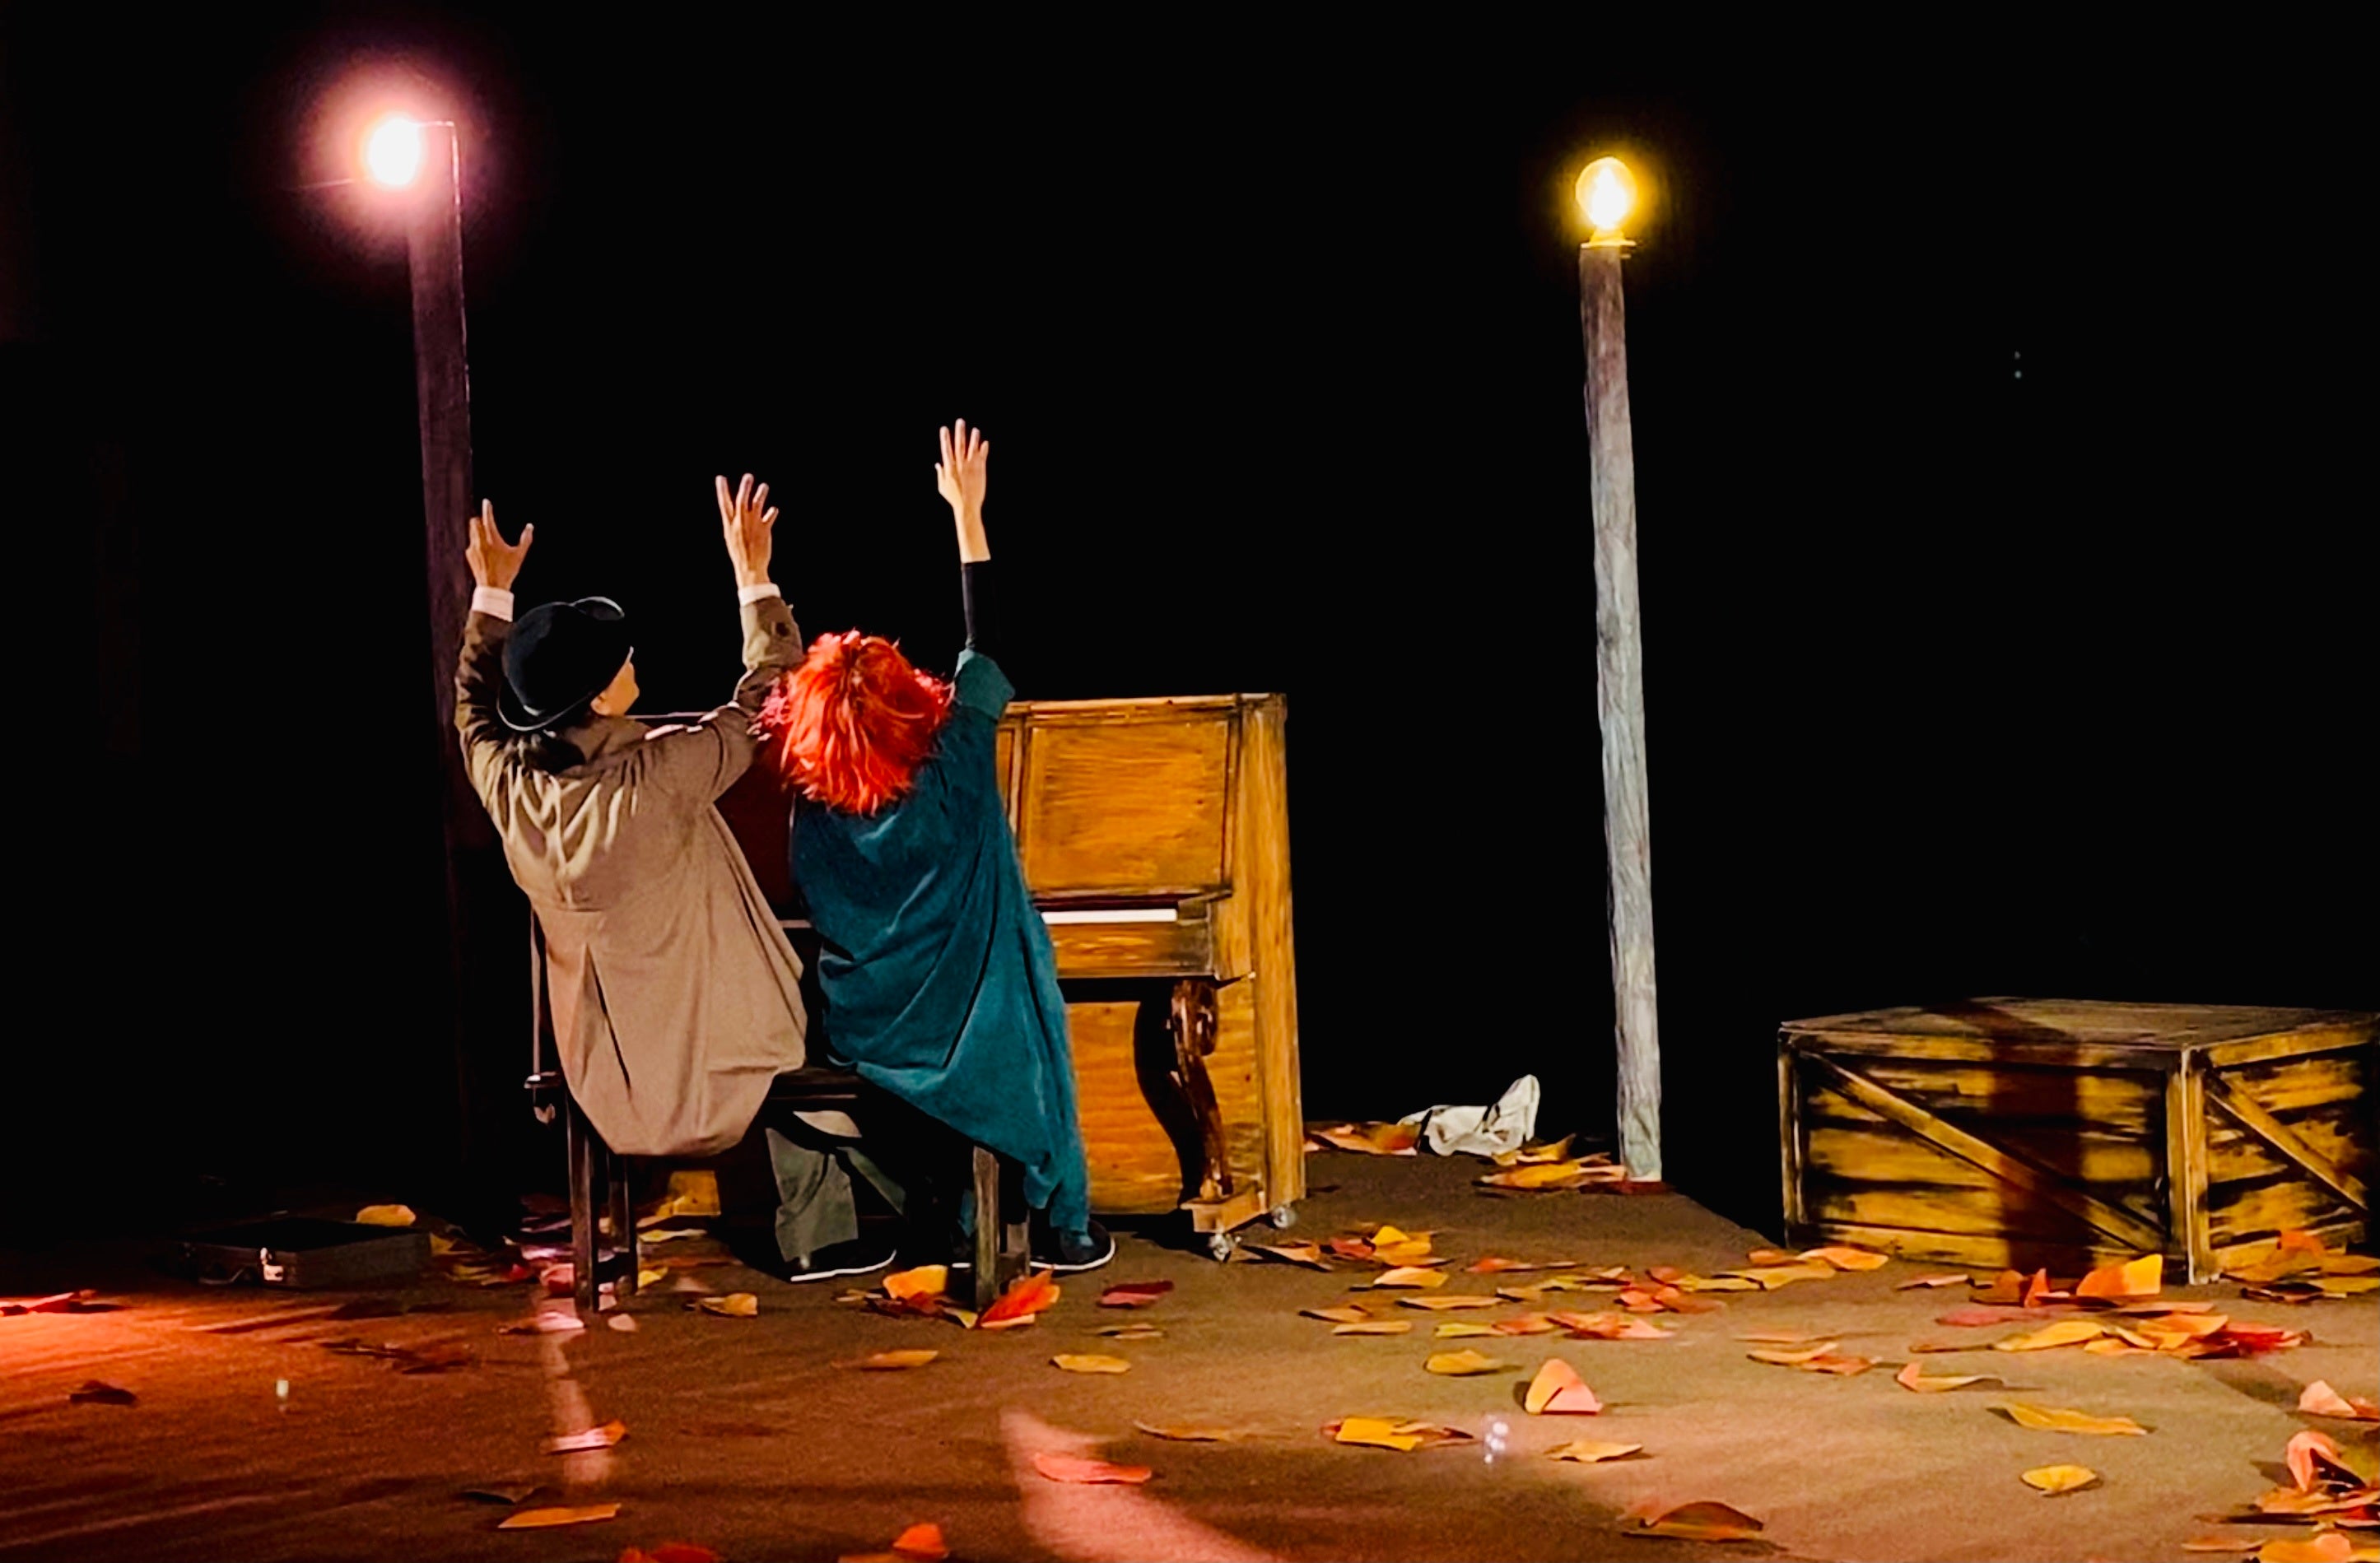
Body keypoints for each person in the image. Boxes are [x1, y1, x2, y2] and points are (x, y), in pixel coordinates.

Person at [455, 476, 897, 1282]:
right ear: (601, 695)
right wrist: (753, 576)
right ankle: (826, 1234)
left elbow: (471, 715)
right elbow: (769, 699)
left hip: (605, 1078)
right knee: (818, 1024)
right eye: (621, 661)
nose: (634, 662)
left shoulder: (510, 785)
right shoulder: (661, 774)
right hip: (709, 1071)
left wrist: (491, 595)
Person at [760, 421, 1111, 1273]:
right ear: (908, 702)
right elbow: (986, 647)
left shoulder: (811, 802)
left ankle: (941, 1206)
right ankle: (1057, 1223)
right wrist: (967, 515)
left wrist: (753, 578)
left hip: (873, 1036)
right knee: (1024, 990)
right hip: (976, 1038)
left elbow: (775, 690)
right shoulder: (955, 760)